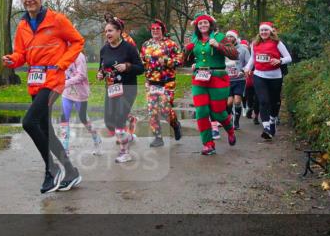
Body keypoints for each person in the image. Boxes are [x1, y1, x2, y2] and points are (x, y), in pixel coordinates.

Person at [2, 0, 84, 193]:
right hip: (35, 81)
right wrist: (13, 59)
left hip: (53, 80)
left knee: (29, 122)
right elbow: (22, 53)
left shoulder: (57, 19)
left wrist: (63, 63)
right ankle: (71, 171)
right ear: (22, 0)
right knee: (46, 130)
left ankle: (51, 169)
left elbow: (77, 41)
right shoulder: (22, 25)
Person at [182, 13, 237, 156]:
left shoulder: (220, 37)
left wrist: (218, 46)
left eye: (205, 23)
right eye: (200, 24)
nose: (203, 26)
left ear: (210, 24)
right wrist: (190, 57)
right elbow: (184, 61)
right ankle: (208, 144)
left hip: (218, 77)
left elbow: (235, 54)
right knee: (201, 112)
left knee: (218, 112)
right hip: (199, 78)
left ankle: (230, 130)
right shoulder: (194, 40)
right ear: (197, 26)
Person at [98, 16, 144, 163]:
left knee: (118, 120)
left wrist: (127, 66)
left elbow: (141, 68)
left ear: (119, 31)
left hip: (128, 88)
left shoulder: (129, 48)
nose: (107, 34)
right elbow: (103, 67)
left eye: (110, 30)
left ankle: (125, 153)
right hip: (111, 89)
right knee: (109, 122)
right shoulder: (104, 49)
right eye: (106, 31)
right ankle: (129, 134)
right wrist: (100, 73)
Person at [243, 21, 293, 141]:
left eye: (266, 30)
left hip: (275, 76)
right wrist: (247, 68)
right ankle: (266, 128)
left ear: (270, 31)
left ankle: (272, 121)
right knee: (263, 101)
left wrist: (280, 61)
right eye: (262, 30)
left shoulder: (277, 43)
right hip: (259, 75)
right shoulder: (254, 44)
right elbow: (252, 59)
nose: (264, 32)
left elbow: (289, 58)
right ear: (259, 32)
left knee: (274, 102)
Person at [140, 19, 182, 147]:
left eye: (157, 29)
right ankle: (158, 137)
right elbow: (141, 60)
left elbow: (180, 60)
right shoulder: (146, 45)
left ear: (162, 30)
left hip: (167, 82)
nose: (155, 31)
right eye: (153, 29)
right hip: (151, 82)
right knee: (152, 110)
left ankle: (175, 124)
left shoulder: (170, 44)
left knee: (164, 109)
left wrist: (168, 61)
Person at [58, 51, 102, 156]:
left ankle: (97, 139)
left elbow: (81, 76)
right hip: (67, 92)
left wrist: (65, 83)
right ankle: (65, 148)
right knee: (64, 117)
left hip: (80, 93)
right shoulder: (61, 54)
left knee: (83, 118)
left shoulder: (79, 56)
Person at [223, 30, 251, 130]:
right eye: (228, 37)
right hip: (227, 79)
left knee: (237, 100)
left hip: (239, 79)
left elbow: (249, 63)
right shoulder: (224, 49)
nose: (229, 39)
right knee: (229, 102)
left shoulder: (243, 49)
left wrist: (243, 70)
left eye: (231, 37)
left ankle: (236, 122)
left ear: (235, 38)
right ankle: (229, 118)